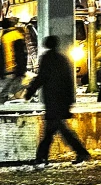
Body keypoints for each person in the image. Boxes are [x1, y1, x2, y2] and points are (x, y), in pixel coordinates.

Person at [30, 35, 89, 163]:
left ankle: (80, 152)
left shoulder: (47, 59)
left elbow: (41, 77)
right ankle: (42, 156)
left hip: (52, 100)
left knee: (57, 130)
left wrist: (30, 91)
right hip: (61, 100)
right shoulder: (63, 59)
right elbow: (68, 80)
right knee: (53, 130)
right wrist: (69, 100)